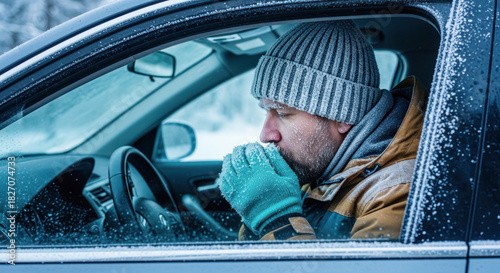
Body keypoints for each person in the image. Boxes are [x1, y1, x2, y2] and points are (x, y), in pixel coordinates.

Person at [217, 20, 427, 240]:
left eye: (282, 113)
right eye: (266, 111)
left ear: (343, 115)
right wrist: (256, 216)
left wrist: (277, 221)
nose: (266, 134)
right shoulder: (322, 165)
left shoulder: (398, 192)